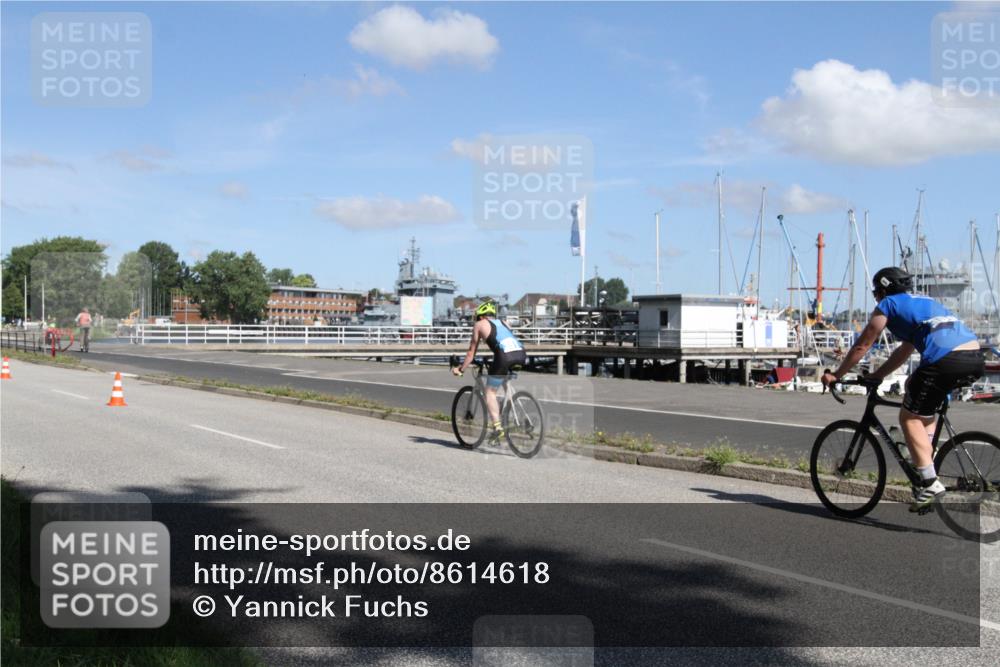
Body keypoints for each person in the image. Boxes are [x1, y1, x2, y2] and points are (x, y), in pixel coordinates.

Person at [822, 267, 984, 512]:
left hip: (945, 361)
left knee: (908, 418)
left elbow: (862, 345)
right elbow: (903, 351)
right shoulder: (922, 303)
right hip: (974, 358)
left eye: (876, 292)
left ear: (884, 290)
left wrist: (836, 375)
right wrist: (878, 375)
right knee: (914, 390)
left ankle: (929, 482)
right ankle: (925, 461)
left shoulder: (889, 304)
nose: (876, 297)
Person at [452, 301, 527, 442]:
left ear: (481, 316)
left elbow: (471, 353)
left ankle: (497, 429)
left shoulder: (479, 325)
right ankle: (519, 418)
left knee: (490, 392)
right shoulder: (504, 323)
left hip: (504, 357)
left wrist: (461, 369)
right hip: (521, 354)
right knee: (503, 380)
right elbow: (504, 341)